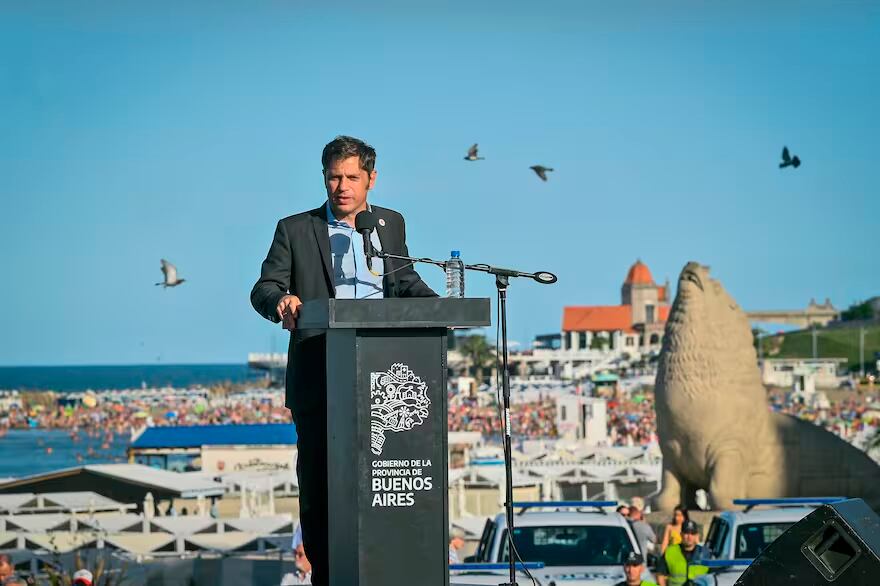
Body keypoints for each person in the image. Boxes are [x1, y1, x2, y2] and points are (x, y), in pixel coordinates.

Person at [251, 136, 437, 586]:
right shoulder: (296, 229)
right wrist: (282, 301)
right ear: (324, 178)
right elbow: (264, 288)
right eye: (334, 177)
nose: (342, 186)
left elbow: (404, 281)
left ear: (371, 179)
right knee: (322, 486)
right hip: (320, 377)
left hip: (383, 379)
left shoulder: (390, 224)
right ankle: (327, 575)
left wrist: (440, 308)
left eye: (352, 177)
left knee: (386, 482)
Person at [655, 520, 708, 586]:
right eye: (686, 533)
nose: (689, 537)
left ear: (696, 535)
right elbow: (660, 575)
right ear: (681, 534)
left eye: (692, 533)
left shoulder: (705, 553)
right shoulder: (670, 551)